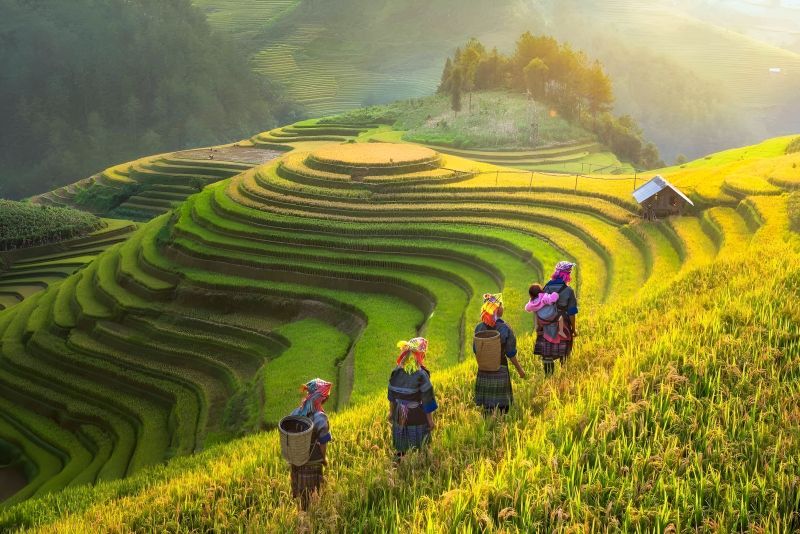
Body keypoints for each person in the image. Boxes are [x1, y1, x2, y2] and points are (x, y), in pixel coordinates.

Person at [473, 293, 526, 413]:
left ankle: (488, 428)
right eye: (501, 305)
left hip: (483, 371)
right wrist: (520, 370)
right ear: (498, 309)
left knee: (487, 408)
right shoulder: (505, 328)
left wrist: (485, 362)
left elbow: (475, 350)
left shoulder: (479, 328)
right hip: (500, 369)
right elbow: (510, 353)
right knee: (502, 409)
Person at [388, 337, 438, 459]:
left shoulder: (396, 371)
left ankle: (399, 464)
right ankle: (418, 466)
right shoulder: (421, 374)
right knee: (420, 447)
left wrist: (391, 413)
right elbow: (427, 399)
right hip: (416, 414)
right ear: (420, 355)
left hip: (399, 413)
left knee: (401, 444)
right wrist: (430, 421)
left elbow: (391, 396)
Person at [289, 378, 333, 509]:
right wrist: (324, 458)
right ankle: (309, 525)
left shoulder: (296, 412)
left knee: (302, 498)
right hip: (312, 463)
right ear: (320, 398)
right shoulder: (320, 417)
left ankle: (303, 521)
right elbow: (323, 441)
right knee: (312, 500)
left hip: (296, 462)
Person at [534, 261, 579, 376]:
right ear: (567, 274)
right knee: (564, 352)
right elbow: (572, 313)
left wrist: (539, 326)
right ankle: (563, 378)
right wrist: (573, 328)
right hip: (562, 325)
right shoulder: (569, 291)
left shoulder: (547, 286)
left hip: (547, 324)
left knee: (547, 353)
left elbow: (539, 307)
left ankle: (548, 378)